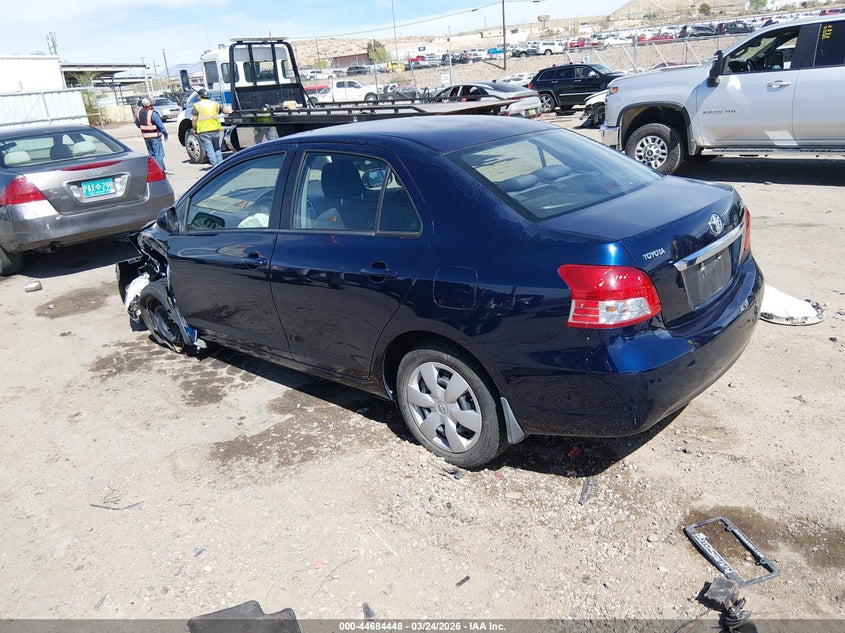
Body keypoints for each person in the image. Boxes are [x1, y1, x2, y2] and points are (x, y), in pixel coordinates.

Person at [135, 97, 168, 172]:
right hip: (155, 137)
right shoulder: (153, 114)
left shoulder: (139, 113)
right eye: (152, 105)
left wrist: (144, 129)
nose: (153, 106)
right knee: (159, 155)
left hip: (146, 137)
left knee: (152, 155)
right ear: (149, 106)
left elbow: (137, 123)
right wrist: (165, 135)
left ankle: (155, 170)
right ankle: (161, 171)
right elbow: (161, 126)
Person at [191, 88, 223, 166]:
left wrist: (194, 129)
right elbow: (223, 111)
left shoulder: (197, 105)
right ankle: (221, 164)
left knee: (209, 149)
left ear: (199, 96)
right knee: (217, 148)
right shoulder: (215, 103)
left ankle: (215, 166)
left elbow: (194, 119)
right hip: (215, 128)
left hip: (204, 130)